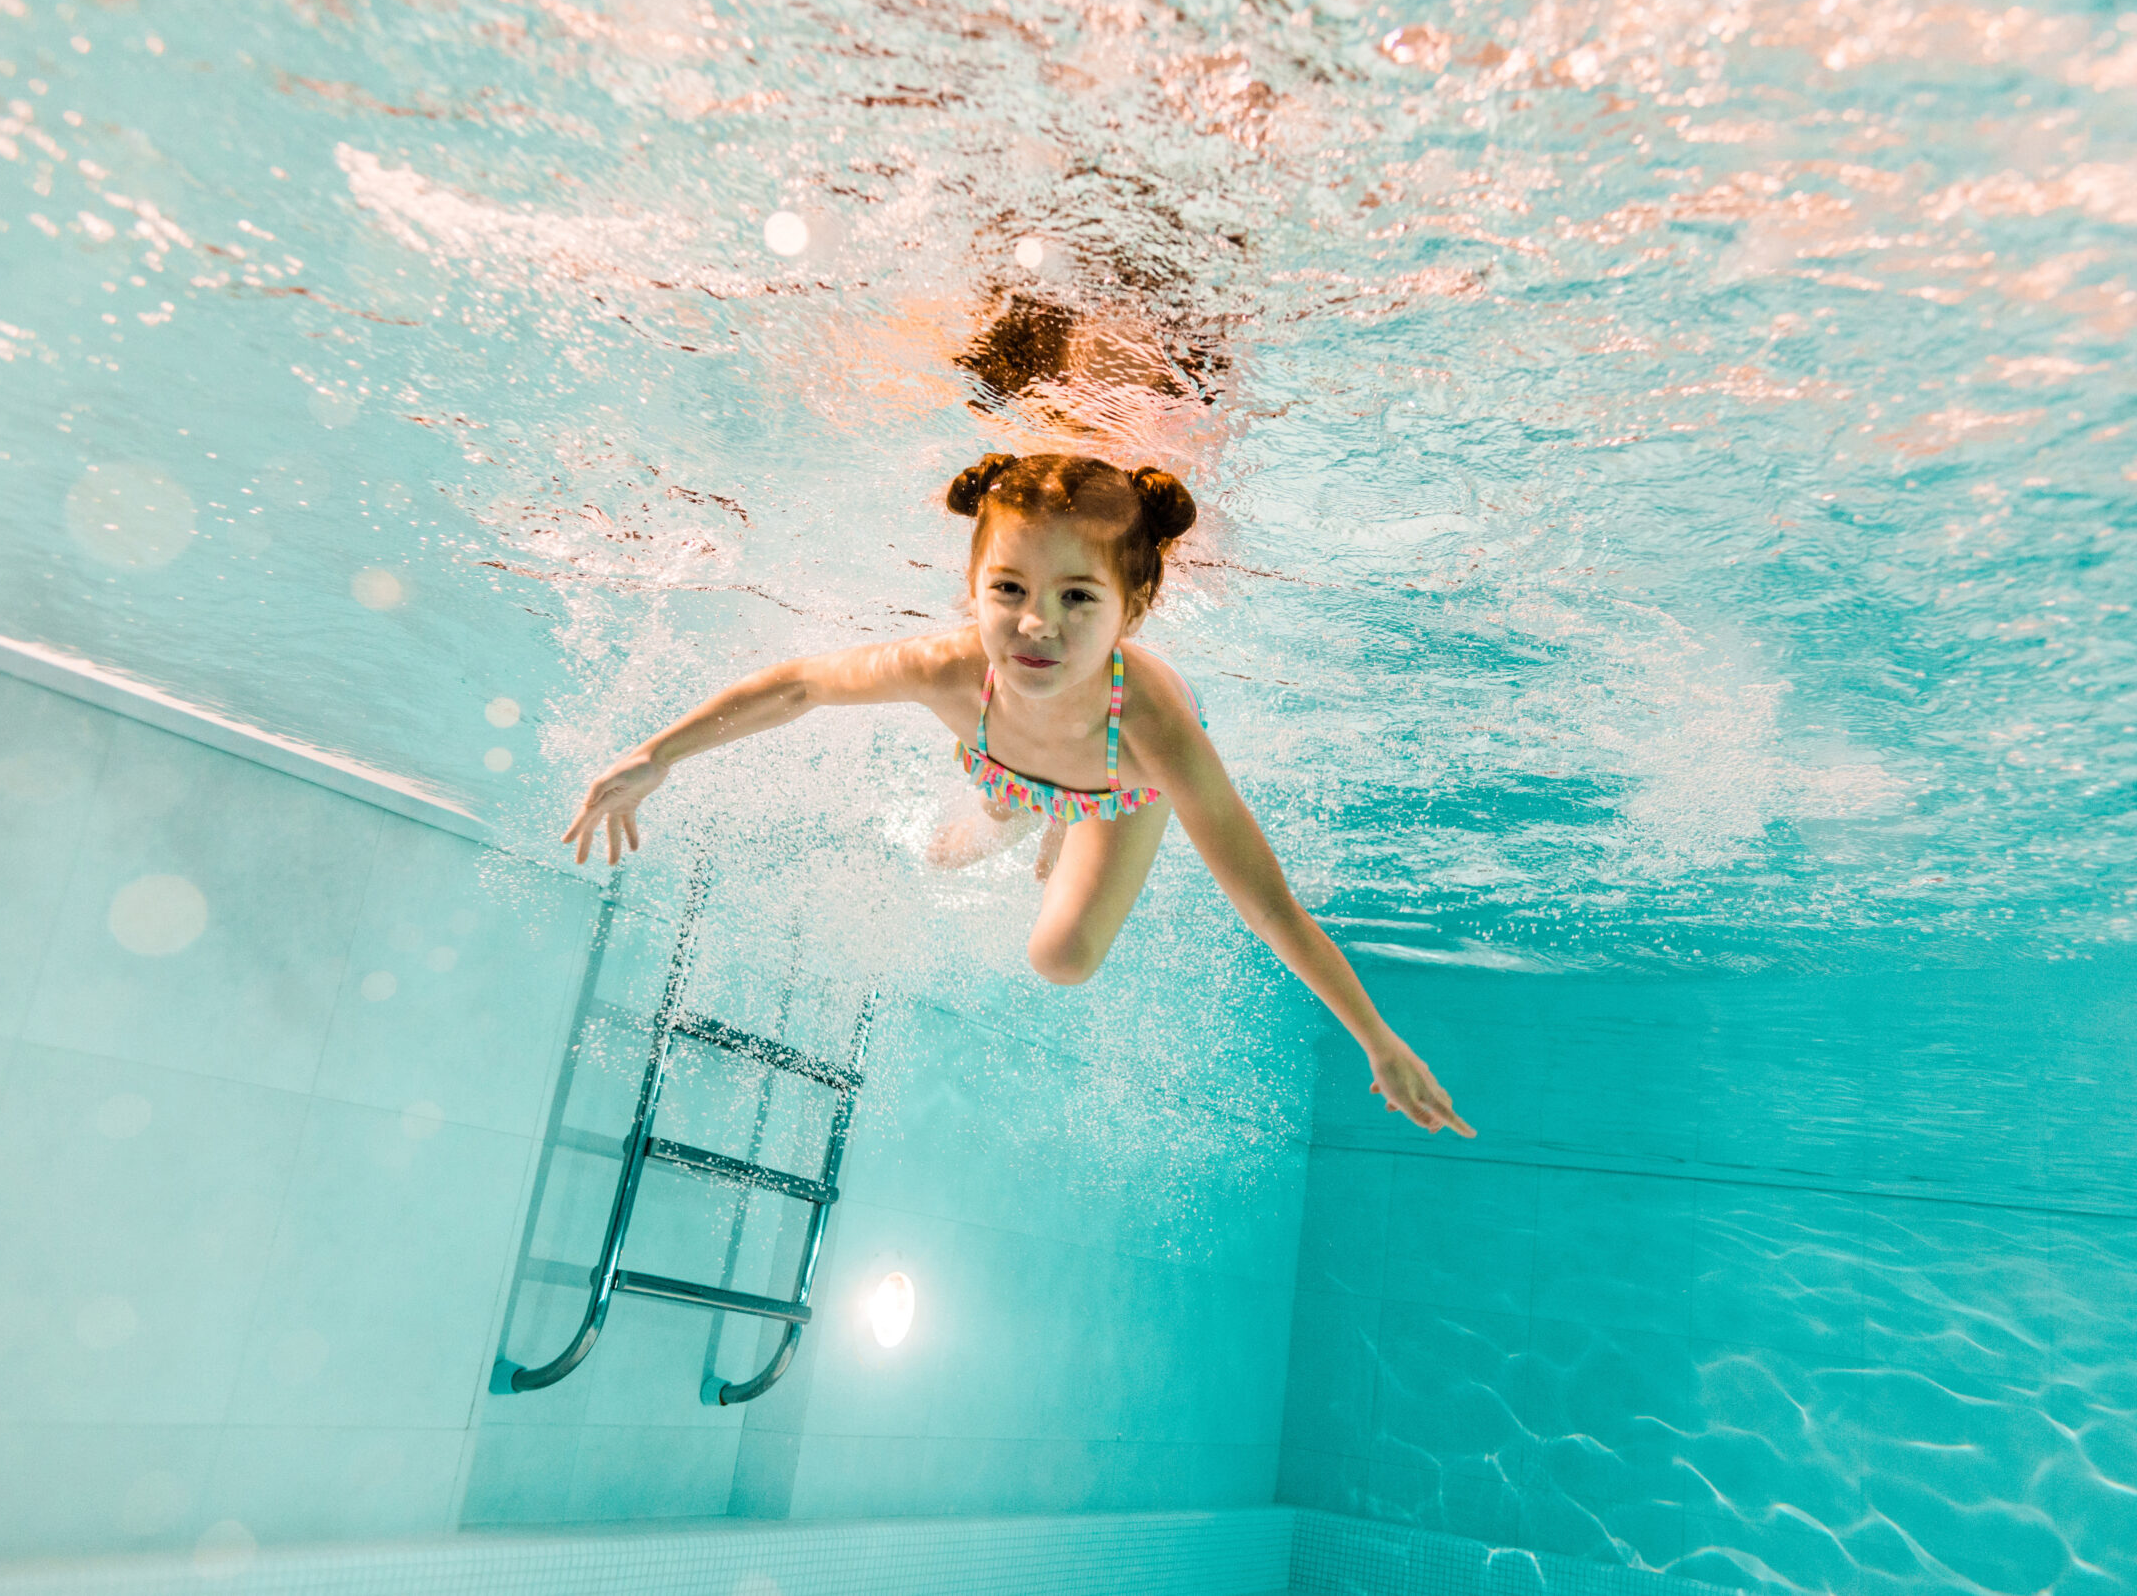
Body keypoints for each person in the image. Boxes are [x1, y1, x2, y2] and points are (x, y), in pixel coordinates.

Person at [561, 445, 1474, 1139]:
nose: (1037, 625)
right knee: (958, 842)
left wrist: (1375, 1038)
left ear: (1132, 611)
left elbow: (1269, 907)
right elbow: (799, 684)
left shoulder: (1159, 734)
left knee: (1063, 957)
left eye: (1080, 597)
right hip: (1003, 756)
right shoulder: (953, 667)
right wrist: (660, 753)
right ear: (972, 586)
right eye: (1009, 588)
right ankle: (1021, 820)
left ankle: (1053, 823)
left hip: (1116, 784)